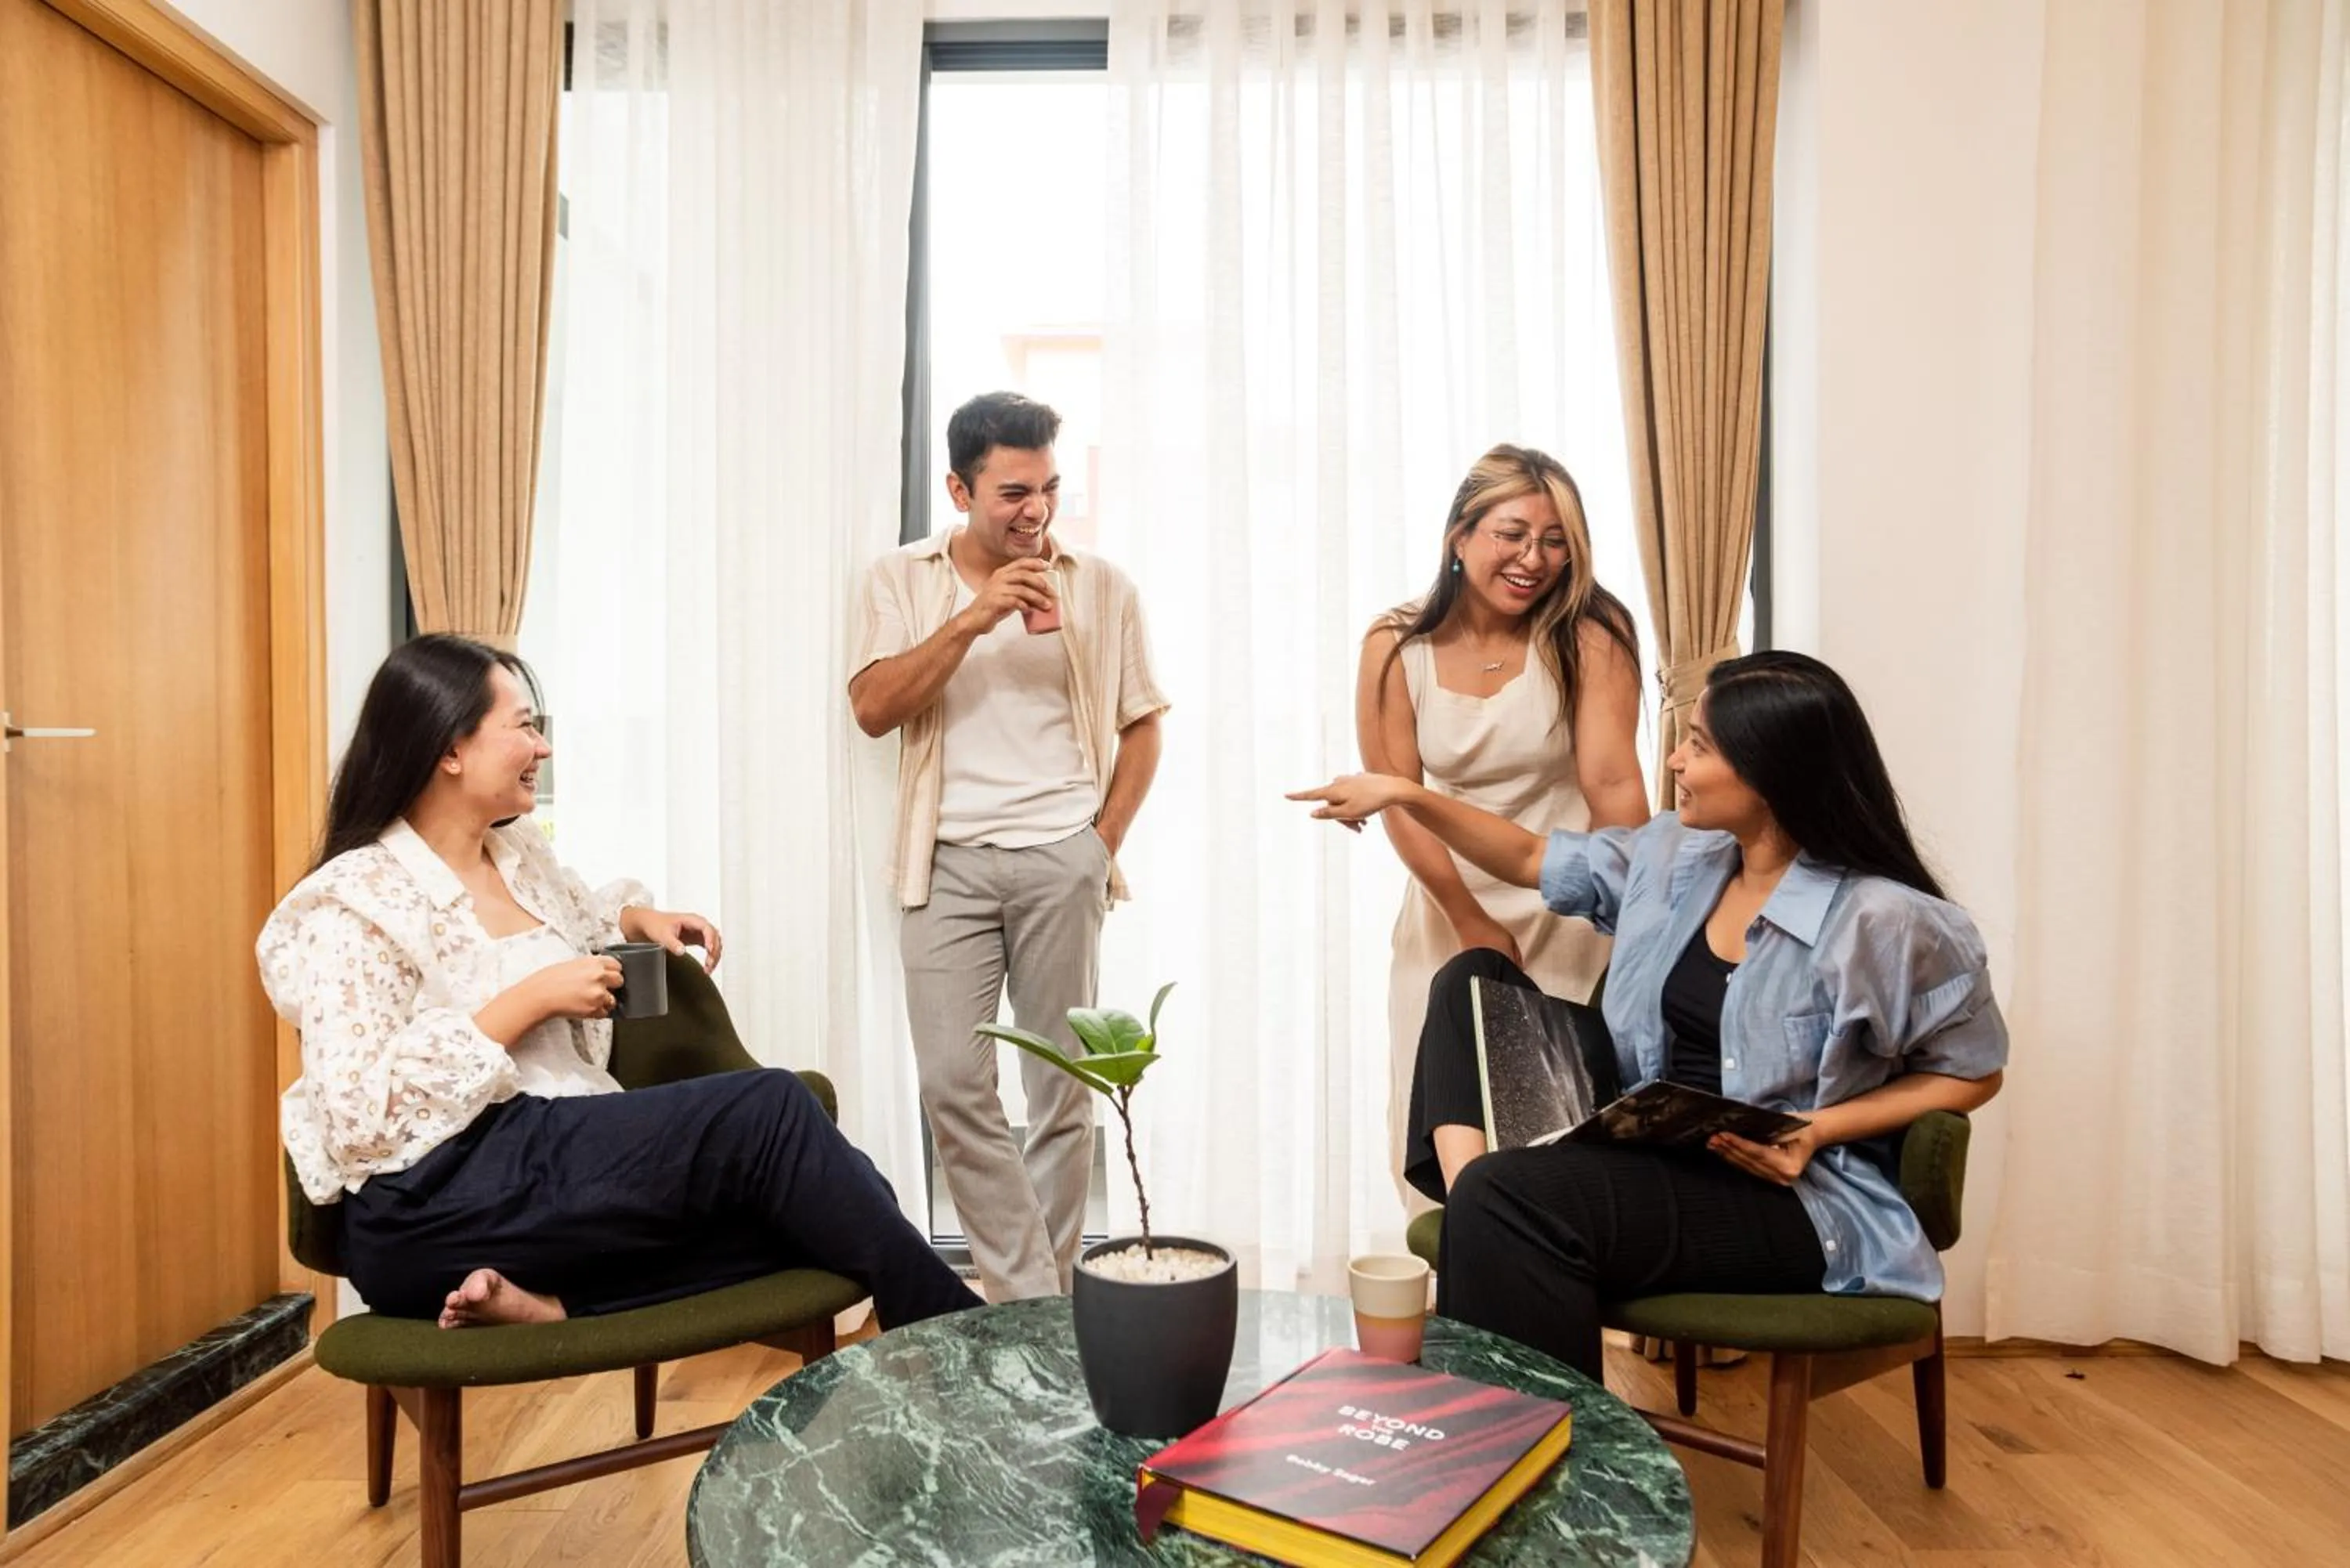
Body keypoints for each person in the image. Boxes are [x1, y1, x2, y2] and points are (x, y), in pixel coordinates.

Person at [1290, 651, 2007, 1378]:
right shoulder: (1676, 855)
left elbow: (1974, 1074)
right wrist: (1405, 795)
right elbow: (1530, 855)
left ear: (1769, 774)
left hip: (1781, 1193)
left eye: (1699, 745)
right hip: (1643, 1143)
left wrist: (1816, 1130)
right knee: (1471, 982)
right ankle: (1486, 1207)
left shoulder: (1886, 921)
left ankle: (1538, 1440)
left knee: (1512, 1199)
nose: (1674, 760)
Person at [260, 634, 980, 1331]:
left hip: (552, 1159)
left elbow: (579, 913)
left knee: (845, 1195)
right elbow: (357, 1123)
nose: (542, 748)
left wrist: (637, 917)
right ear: (450, 749)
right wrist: (531, 1001)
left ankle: (564, 1304)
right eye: (523, 728)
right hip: (431, 1196)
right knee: (776, 1114)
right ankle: (966, 1342)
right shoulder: (354, 902)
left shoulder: (514, 857)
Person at [849, 392, 1167, 1301]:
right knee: (953, 1081)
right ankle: (1033, 1296)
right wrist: (972, 617)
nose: (1036, 511)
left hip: (1060, 857)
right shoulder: (900, 580)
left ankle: (1043, 1309)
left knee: (1062, 1091)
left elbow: (1144, 723)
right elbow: (873, 709)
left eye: (1050, 488)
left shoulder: (1100, 585)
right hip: (942, 863)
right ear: (959, 488)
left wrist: (1099, 845)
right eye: (1013, 492)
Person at [1358, 444, 1646, 1211]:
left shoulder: (1593, 630)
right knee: (1442, 1129)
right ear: (1460, 534)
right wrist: (1469, 919)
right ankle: (1461, 1319)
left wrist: (1647, 908)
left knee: (1558, 1133)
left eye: (1556, 541)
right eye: (1511, 534)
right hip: (1449, 903)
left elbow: (1614, 783)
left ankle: (1547, 1317)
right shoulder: (1396, 644)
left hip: (1568, 903)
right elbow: (1399, 798)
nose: (1534, 559)